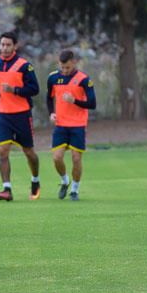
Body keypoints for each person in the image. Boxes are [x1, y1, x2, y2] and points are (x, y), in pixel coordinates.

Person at [0, 31, 41, 201]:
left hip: (22, 115)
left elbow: (34, 89)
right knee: (2, 151)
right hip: (3, 116)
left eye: (8, 45)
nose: (4, 48)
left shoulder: (24, 66)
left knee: (29, 152)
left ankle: (35, 180)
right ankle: (7, 189)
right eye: (2, 44)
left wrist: (15, 90)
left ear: (15, 46)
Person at [47, 49, 96, 201]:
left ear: (74, 62)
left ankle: (74, 189)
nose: (65, 70)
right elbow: (49, 98)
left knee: (76, 158)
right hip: (61, 124)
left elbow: (92, 103)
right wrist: (51, 113)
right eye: (62, 67)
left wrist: (74, 100)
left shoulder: (84, 80)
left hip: (78, 125)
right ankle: (64, 181)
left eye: (67, 67)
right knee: (57, 158)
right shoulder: (53, 78)